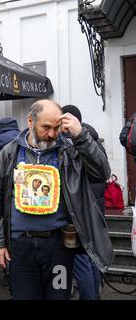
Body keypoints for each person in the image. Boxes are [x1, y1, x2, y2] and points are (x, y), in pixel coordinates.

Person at [0, 99, 112, 300]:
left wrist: (81, 136)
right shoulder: (9, 153)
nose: (52, 134)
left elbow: (101, 172)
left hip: (59, 248)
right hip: (20, 247)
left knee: (58, 297)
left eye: (56, 128)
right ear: (30, 121)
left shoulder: (69, 150)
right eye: (46, 127)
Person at [62, 104, 107, 300]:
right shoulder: (95, 142)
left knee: (81, 259)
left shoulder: (78, 143)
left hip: (82, 210)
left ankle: (89, 296)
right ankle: (95, 293)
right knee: (91, 256)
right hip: (96, 208)